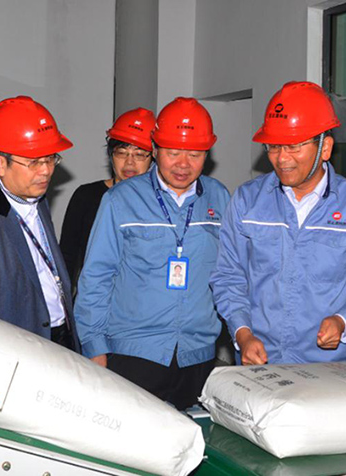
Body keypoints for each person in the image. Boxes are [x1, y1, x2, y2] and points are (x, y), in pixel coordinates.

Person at [209, 81, 346, 366]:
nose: (281, 158)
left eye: (293, 146)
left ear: (325, 148)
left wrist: (345, 320)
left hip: (327, 368)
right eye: (274, 146)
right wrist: (242, 333)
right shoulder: (247, 202)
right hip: (258, 365)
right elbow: (228, 276)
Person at [74, 97, 231, 409]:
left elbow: (229, 273)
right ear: (156, 149)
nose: (183, 164)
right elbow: (96, 277)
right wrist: (94, 347)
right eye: (173, 153)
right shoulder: (121, 200)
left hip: (198, 356)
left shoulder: (219, 197)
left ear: (207, 154)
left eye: (194, 154)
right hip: (133, 355)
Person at [0, 96, 79, 351]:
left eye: (50, 159)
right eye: (34, 162)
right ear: (0, 164)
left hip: (58, 341)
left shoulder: (34, 197)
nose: (46, 171)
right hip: (20, 353)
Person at [59, 108, 156, 294]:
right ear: (111, 155)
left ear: (152, 159)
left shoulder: (160, 204)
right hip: (93, 297)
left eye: (139, 154)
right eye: (122, 153)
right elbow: (67, 257)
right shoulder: (86, 196)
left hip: (141, 302)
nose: (129, 162)